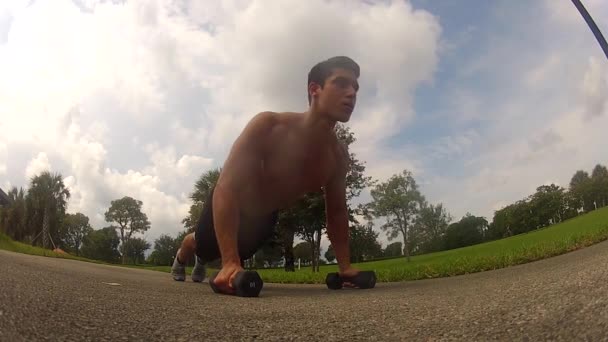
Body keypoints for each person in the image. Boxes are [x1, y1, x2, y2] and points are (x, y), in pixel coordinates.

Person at [171, 56, 362, 294]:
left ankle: (212, 258)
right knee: (204, 246)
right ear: (315, 89)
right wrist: (230, 262)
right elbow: (226, 188)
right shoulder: (269, 126)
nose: (352, 93)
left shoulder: (338, 156)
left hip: (264, 219)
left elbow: (336, 212)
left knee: (235, 254)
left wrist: (345, 267)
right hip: (231, 203)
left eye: (355, 87)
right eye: (341, 83)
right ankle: (184, 256)